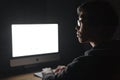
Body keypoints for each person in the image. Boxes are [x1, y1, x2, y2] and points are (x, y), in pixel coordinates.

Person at [41, 0, 120, 80]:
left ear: (97, 27)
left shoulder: (85, 64)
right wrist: (68, 71)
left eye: (80, 22)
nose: (76, 28)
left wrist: (48, 73)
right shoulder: (114, 53)